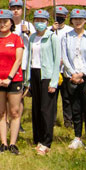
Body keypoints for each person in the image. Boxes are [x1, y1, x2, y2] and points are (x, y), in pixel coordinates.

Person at [0, 7, 27, 154]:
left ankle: (13, 143)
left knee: (14, 112)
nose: (2, 24)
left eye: (5, 21)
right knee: (1, 112)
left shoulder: (17, 39)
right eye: (0, 21)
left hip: (14, 80)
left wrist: (9, 78)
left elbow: (18, 60)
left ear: (11, 22)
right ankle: (3, 143)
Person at [60, 8, 86, 152]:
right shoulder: (66, 37)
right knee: (75, 108)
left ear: (85, 20)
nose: (78, 22)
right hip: (71, 76)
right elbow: (65, 57)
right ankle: (77, 137)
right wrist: (73, 74)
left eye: (80, 19)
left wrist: (82, 74)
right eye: (75, 19)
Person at [27, 9, 62, 155]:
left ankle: (46, 142)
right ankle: (38, 139)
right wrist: (28, 80)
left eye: (42, 21)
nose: (39, 23)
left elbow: (57, 60)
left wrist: (54, 82)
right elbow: (29, 58)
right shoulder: (32, 37)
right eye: (37, 20)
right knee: (36, 108)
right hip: (34, 73)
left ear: (47, 22)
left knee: (46, 109)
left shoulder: (52, 37)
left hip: (47, 74)